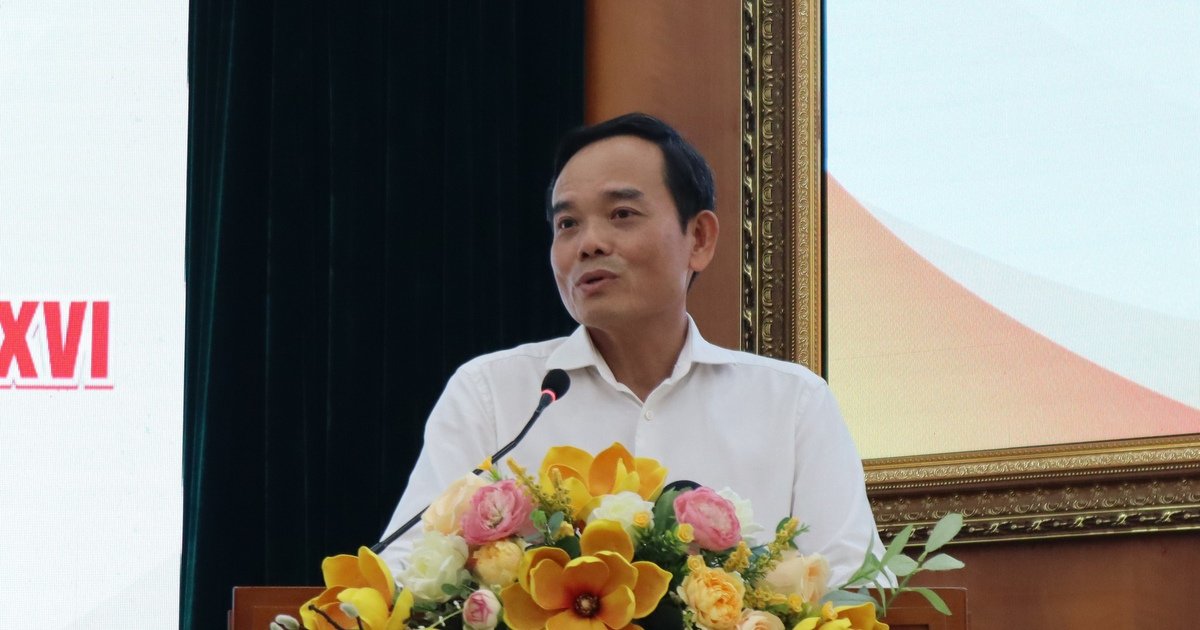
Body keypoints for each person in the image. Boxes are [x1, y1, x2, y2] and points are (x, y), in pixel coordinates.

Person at [380, 113, 884, 586]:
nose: (589, 243)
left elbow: (860, 587)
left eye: (622, 214)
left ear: (699, 238)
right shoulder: (492, 395)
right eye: (567, 224)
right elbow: (406, 575)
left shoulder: (792, 404)